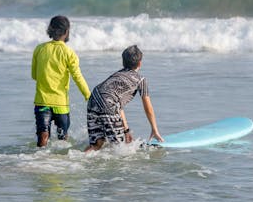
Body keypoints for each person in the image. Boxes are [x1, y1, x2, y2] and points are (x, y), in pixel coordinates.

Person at [85, 45, 164, 152]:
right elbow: (148, 107)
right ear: (140, 63)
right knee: (120, 148)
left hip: (93, 99)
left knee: (97, 144)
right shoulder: (140, 80)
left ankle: (75, 160)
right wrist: (154, 129)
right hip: (108, 103)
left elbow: (118, 104)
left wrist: (126, 131)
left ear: (123, 62)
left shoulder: (117, 75)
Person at [32, 15, 90, 147]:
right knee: (63, 138)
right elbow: (77, 76)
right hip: (61, 105)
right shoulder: (69, 52)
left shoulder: (39, 49)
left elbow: (34, 75)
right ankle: (61, 163)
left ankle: (39, 161)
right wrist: (88, 95)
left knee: (43, 136)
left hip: (42, 102)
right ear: (66, 31)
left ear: (50, 30)